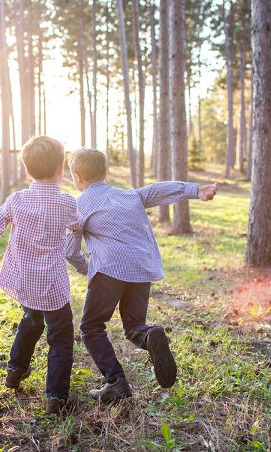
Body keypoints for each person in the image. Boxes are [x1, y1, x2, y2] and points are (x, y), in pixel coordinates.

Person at [65, 148, 218, 403]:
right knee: (134, 326)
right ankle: (148, 336)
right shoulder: (129, 195)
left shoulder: (79, 204)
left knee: (91, 327)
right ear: (104, 173)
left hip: (110, 269)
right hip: (141, 266)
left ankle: (116, 382)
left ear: (77, 178)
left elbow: (70, 251)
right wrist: (195, 190)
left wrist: (88, 268)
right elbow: (157, 190)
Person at [0, 136, 82, 415]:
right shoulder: (67, 203)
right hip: (52, 287)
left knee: (31, 321)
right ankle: (56, 398)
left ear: (26, 170)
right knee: (60, 338)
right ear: (61, 169)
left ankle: (15, 371)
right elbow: (76, 226)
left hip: (25, 281)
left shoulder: (17, 200)